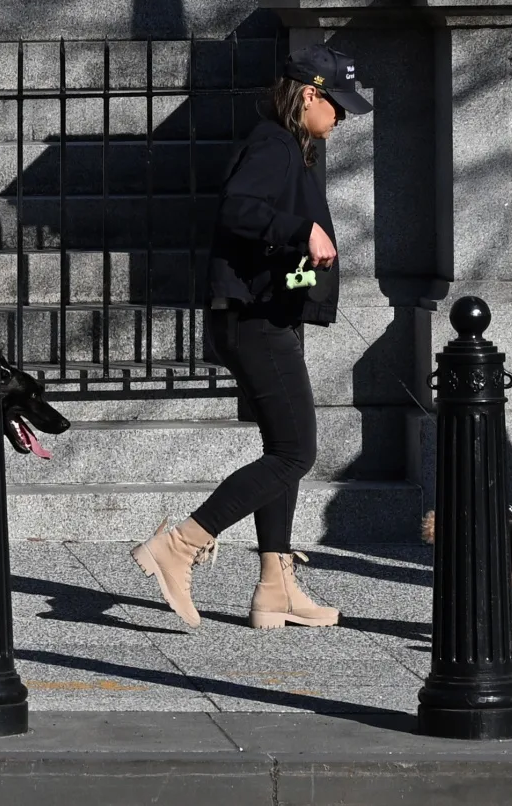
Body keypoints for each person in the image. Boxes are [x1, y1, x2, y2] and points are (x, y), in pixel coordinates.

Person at [131, 45, 370, 629]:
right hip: (254, 323)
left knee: (281, 453)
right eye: (336, 105)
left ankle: (274, 586)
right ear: (309, 94)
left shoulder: (296, 148)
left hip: (268, 316)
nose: (342, 117)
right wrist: (301, 229)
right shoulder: (273, 144)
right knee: (295, 452)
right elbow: (237, 210)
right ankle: (181, 543)